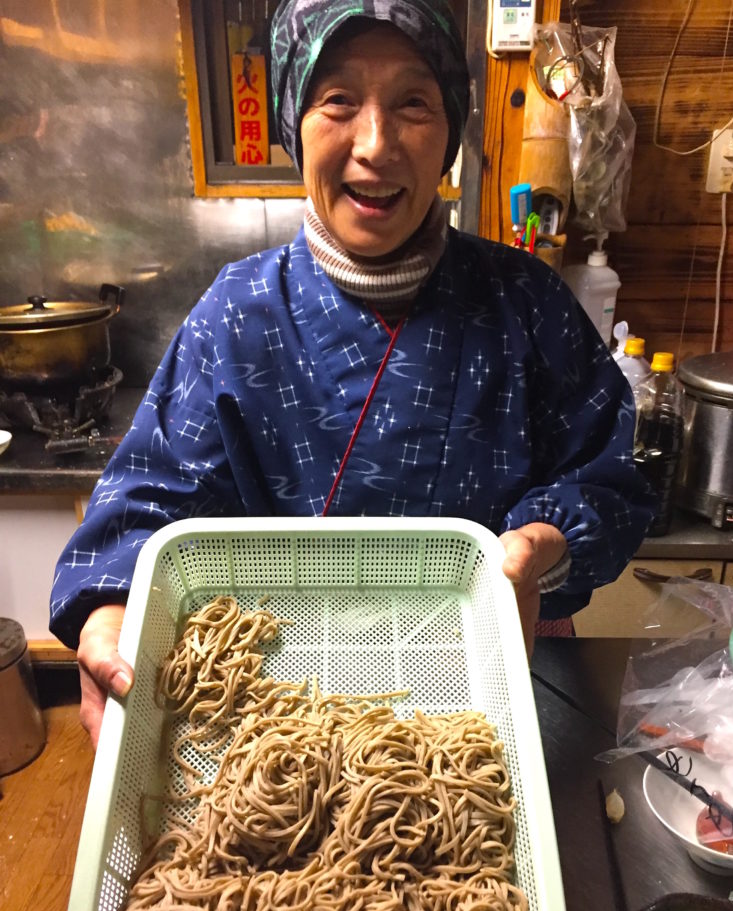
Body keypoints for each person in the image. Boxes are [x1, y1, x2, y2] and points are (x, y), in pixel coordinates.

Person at [50, 0, 654, 748]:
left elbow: (607, 481)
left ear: (449, 135)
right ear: (291, 126)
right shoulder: (236, 314)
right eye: (337, 100)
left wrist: (546, 543)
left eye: (412, 103)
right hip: (272, 704)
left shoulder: (525, 302)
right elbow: (148, 499)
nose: (375, 144)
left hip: (484, 690)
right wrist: (109, 609)